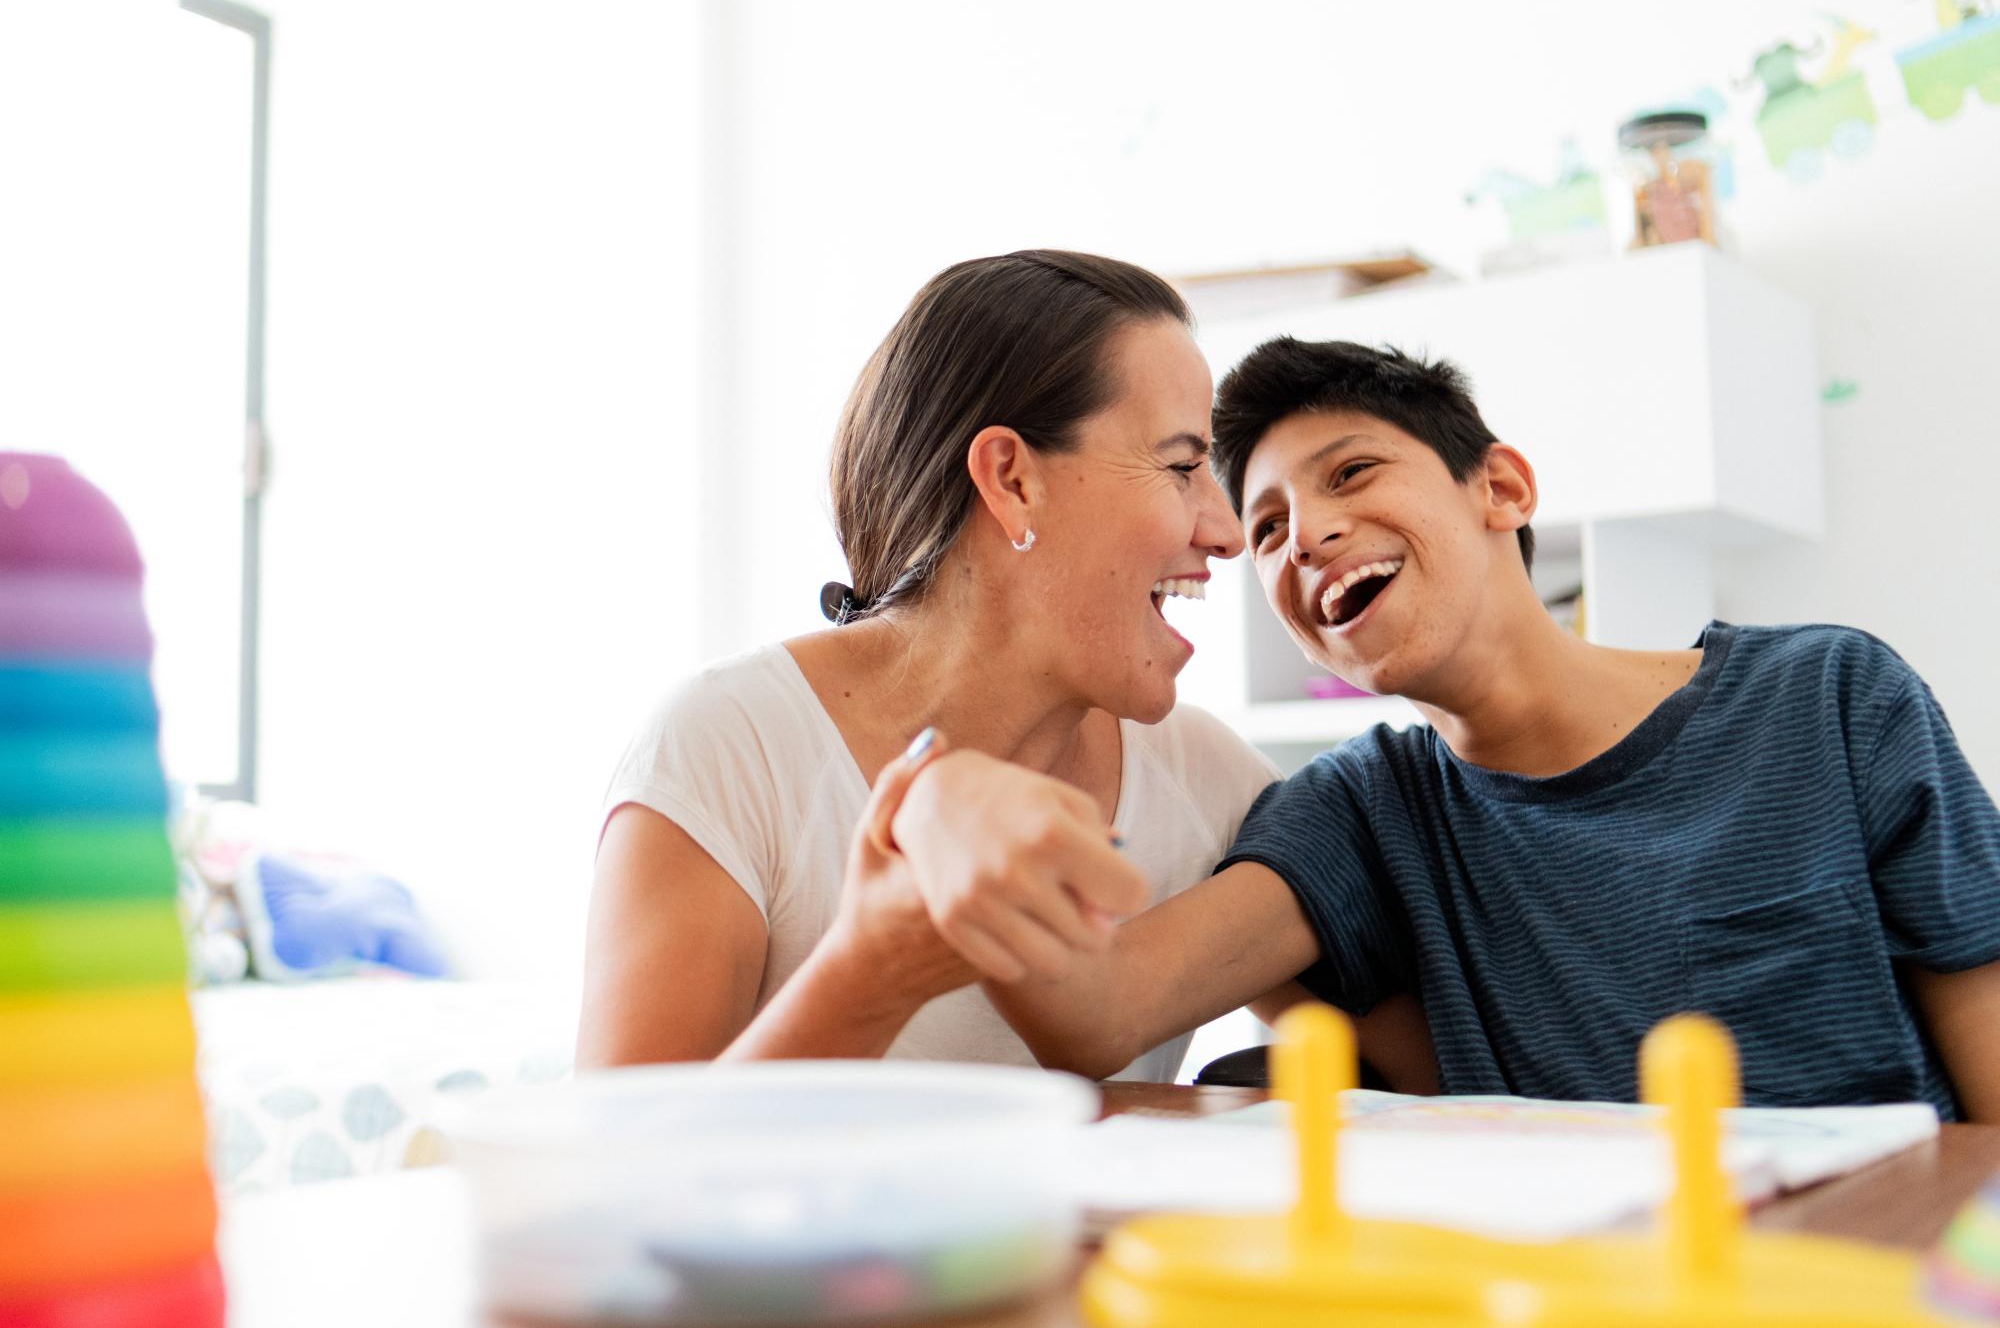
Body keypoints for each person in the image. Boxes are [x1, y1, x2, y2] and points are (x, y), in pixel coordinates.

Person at [882, 338, 2000, 1122]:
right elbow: (1101, 1008)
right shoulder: (1360, 810)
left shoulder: (1828, 698)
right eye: (1264, 531)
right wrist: (930, 805)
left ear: (1501, 487)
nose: (1304, 536)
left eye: (1352, 473)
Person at [576, 252, 1432, 1082]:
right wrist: (873, 970)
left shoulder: (1208, 782)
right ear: (1013, 480)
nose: (1227, 530)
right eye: (1180, 466)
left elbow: (1418, 1067)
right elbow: (606, 1184)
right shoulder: (728, 747)